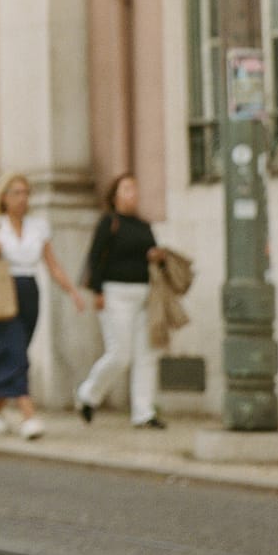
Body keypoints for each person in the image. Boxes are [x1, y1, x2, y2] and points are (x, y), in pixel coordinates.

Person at [0, 172, 88, 440]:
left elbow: (52, 264)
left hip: (29, 291)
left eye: (26, 193)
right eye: (16, 192)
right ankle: (29, 415)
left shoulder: (38, 227)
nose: (22, 198)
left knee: (16, 351)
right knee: (16, 354)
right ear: (4, 197)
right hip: (1, 291)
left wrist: (72, 290)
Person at [76, 171, 166, 428]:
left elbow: (153, 257)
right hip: (115, 294)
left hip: (144, 294)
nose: (132, 194)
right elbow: (94, 258)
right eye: (126, 189)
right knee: (120, 354)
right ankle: (88, 394)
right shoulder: (109, 222)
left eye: (135, 189)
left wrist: (156, 256)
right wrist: (98, 292)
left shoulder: (143, 226)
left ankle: (144, 412)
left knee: (146, 355)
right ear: (115, 196)